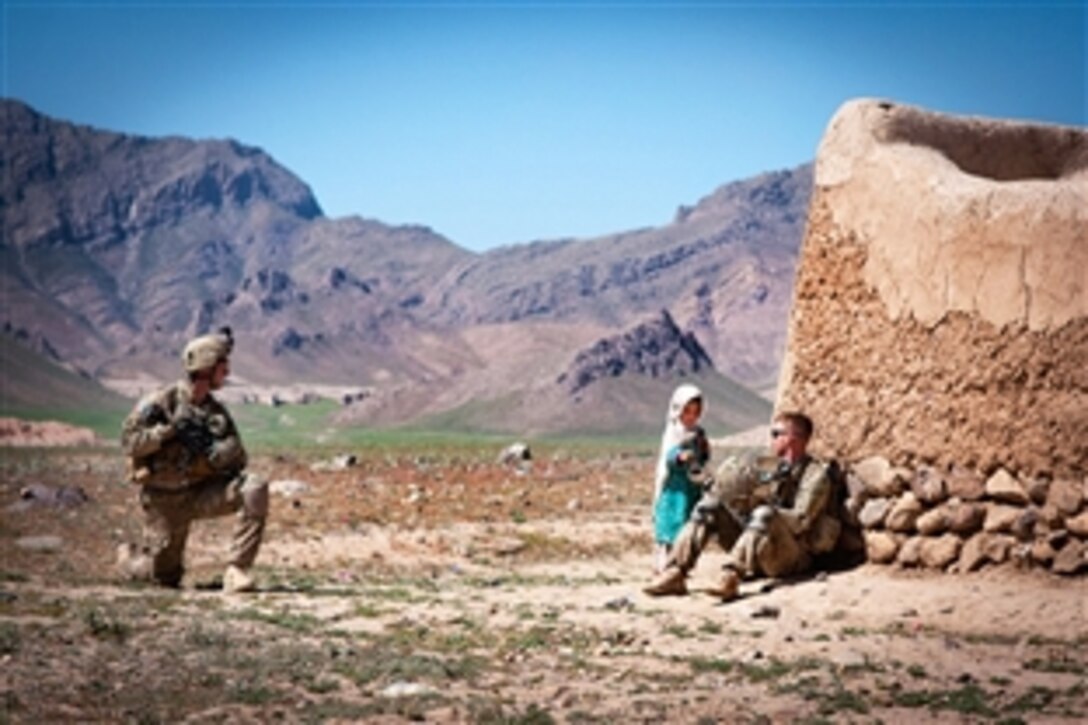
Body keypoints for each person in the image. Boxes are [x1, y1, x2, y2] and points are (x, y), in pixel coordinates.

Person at [116, 327, 268, 593]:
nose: (228, 373)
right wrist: (169, 431)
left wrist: (219, 452)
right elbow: (129, 443)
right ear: (207, 366)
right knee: (164, 579)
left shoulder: (216, 414)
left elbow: (239, 458)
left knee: (254, 487)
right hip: (164, 501)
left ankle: (237, 571)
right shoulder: (161, 402)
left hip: (199, 494)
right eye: (223, 366)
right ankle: (130, 560)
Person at [644, 411, 842, 600]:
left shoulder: (815, 475)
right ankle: (675, 572)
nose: (771, 440)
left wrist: (770, 514)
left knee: (764, 514)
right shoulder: (770, 465)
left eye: (776, 434)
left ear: (793, 438)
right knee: (709, 506)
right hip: (756, 543)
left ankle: (730, 577)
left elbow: (801, 520)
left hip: (790, 555)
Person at [652, 384, 710, 572]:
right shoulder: (673, 431)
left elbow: (702, 457)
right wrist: (678, 457)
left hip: (692, 486)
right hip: (675, 486)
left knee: (688, 523)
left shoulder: (699, 432)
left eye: (695, 412)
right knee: (670, 522)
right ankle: (664, 563)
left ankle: (681, 564)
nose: (691, 416)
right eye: (688, 411)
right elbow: (669, 456)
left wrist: (704, 452)